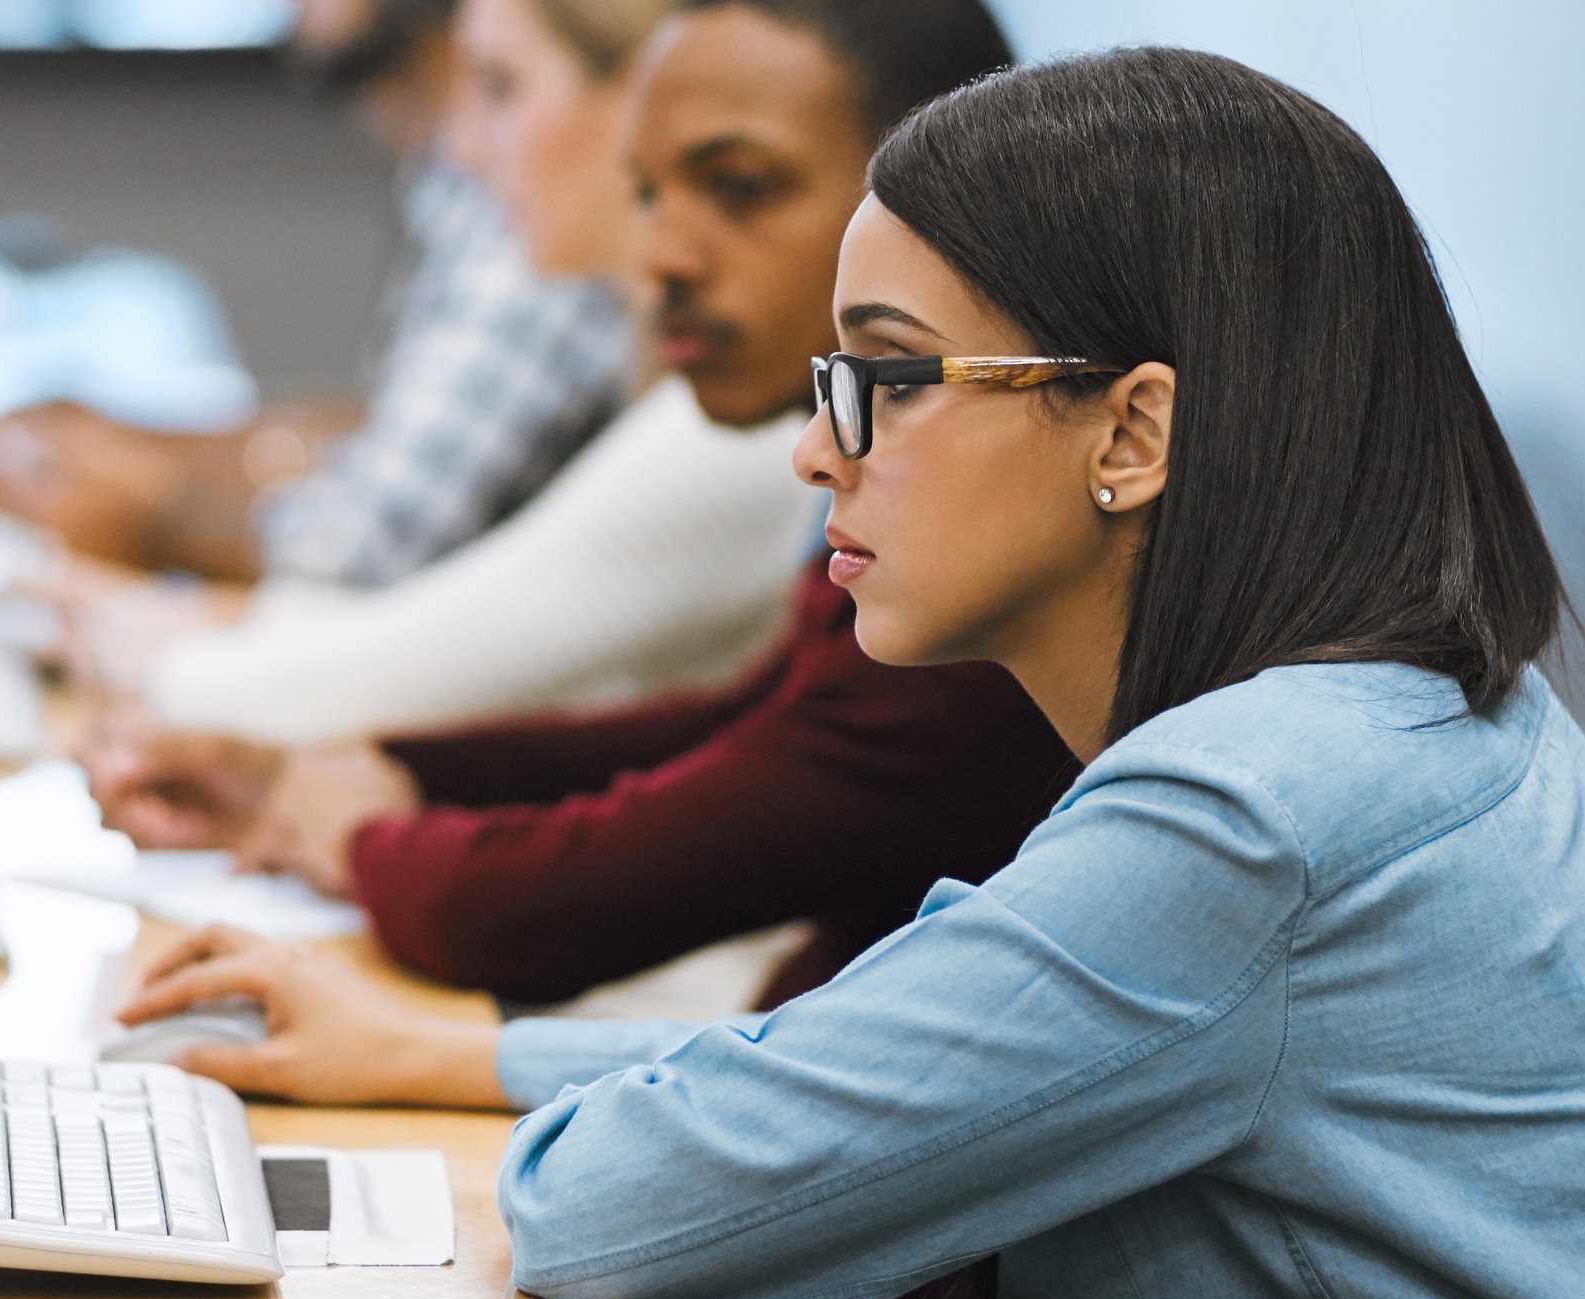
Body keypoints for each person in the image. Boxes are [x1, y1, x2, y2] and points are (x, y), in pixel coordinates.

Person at [121, 48, 1585, 1299]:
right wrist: (448, 1062)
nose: (821, 453)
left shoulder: (1256, 821)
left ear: (1132, 433)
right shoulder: (1388, 718)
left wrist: (504, 1090)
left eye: (887, 380)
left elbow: (618, 1212)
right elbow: (908, 1073)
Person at [93, 0, 1038, 1019]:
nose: (665, 254)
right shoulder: (849, 445)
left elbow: (753, 810)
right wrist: (377, 780)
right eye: (646, 193)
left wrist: (372, 837)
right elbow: (760, 726)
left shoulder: (966, 511)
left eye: (741, 189)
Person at [116, 0, 825, 742]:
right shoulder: (678, 385)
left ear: (645, 105)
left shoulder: (747, 428)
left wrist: (133, 646)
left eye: (500, 88)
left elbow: (378, 677)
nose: (460, 150)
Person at [0, 0, 635, 587]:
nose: (469, 146)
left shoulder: (529, 232)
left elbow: (361, 551)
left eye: (502, 87)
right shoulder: (473, 175)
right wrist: (118, 441)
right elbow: (389, 440)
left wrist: (147, 511)